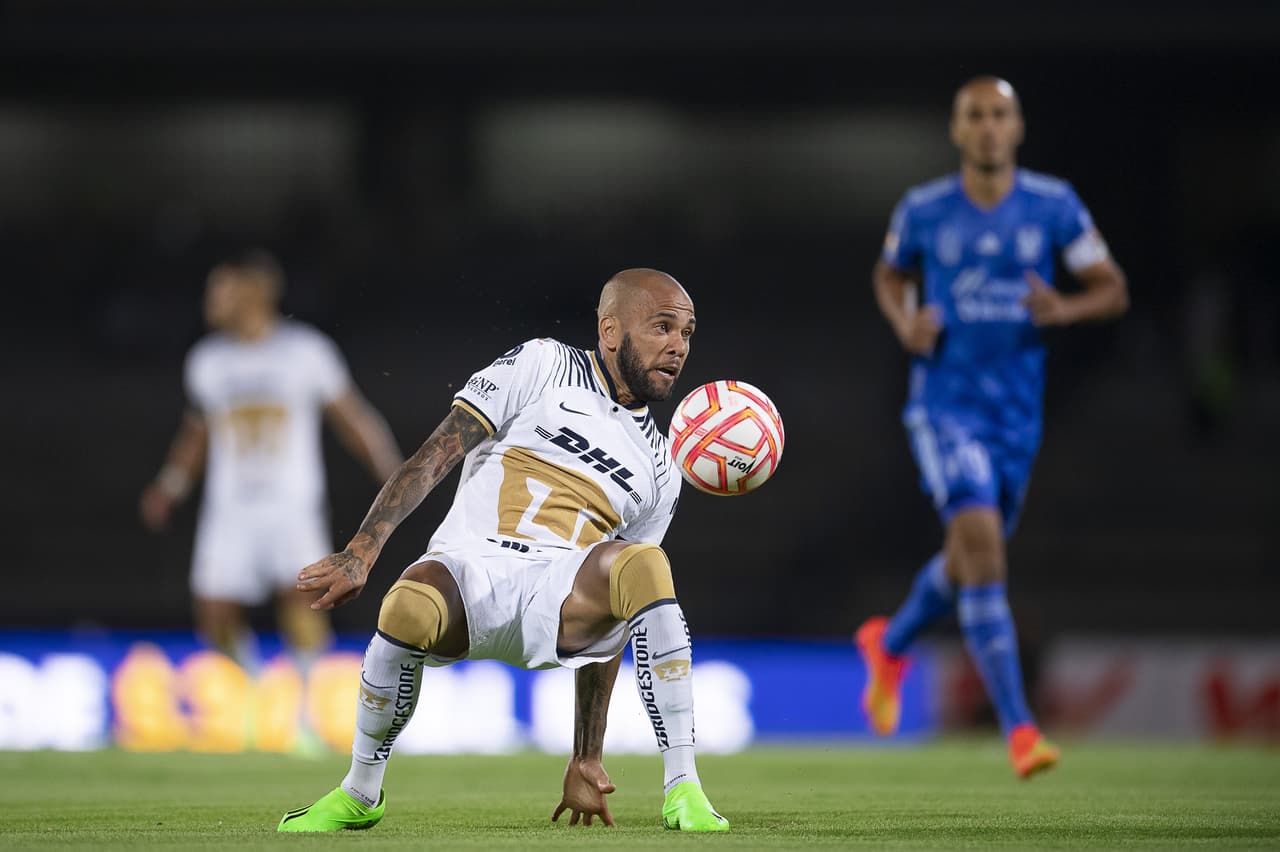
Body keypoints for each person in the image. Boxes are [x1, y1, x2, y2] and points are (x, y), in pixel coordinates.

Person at [276, 268, 729, 833]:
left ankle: (683, 787)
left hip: (562, 595)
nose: (678, 347)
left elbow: (628, 610)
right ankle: (360, 793)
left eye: (687, 333)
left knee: (645, 566)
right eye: (662, 327)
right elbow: (437, 452)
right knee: (404, 608)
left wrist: (586, 754)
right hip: (470, 569)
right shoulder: (543, 365)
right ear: (610, 331)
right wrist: (362, 551)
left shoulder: (663, 465)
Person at [855, 76, 1129, 778]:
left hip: (1017, 417)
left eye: (998, 115)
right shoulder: (923, 210)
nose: (985, 127)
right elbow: (889, 276)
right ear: (956, 129)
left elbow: (1112, 289)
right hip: (944, 407)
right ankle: (1020, 730)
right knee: (982, 547)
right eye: (973, 116)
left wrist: (1063, 311)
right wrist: (904, 319)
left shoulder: (1053, 205)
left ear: (1017, 128)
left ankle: (889, 643)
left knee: (965, 559)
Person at [139, 248, 404, 749]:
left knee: (302, 602)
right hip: (230, 511)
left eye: (220, 289)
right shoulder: (207, 361)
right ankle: (261, 690)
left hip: (291, 506)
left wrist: (391, 468)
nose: (210, 300)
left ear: (253, 292)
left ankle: (300, 716)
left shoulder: (305, 352)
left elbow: (351, 417)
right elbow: (196, 434)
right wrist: (170, 486)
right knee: (213, 611)